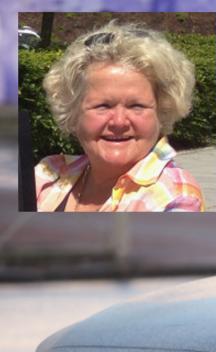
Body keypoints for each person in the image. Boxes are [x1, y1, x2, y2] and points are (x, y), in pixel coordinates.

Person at [35, 21, 205, 212]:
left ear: (161, 112)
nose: (119, 121)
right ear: (73, 112)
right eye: (103, 106)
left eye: (136, 106)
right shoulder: (49, 175)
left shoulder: (175, 197)